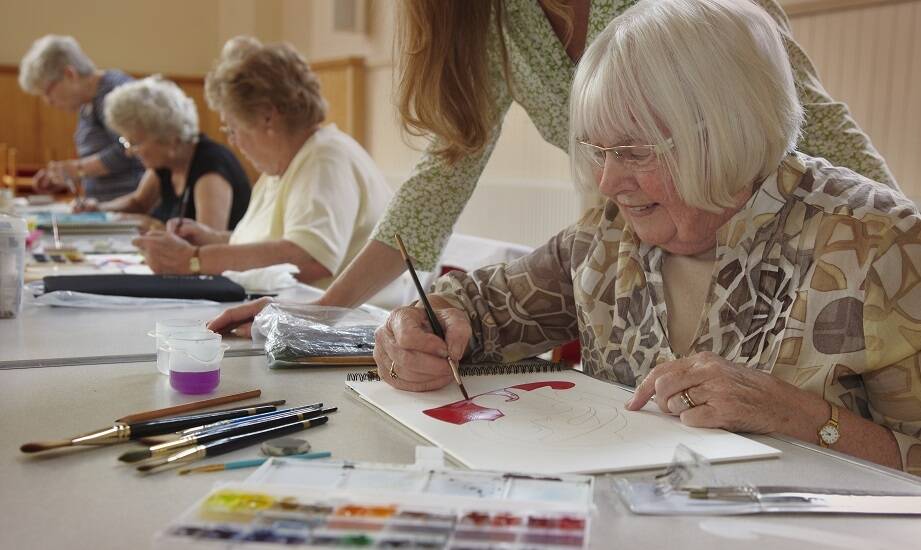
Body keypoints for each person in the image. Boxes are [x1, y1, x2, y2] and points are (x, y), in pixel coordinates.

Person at [373, 0, 921, 475]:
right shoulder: (607, 239)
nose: (608, 183)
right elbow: (480, 309)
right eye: (598, 150)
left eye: (633, 151)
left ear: (725, 132)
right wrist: (418, 329)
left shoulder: (877, 245)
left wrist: (802, 417)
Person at [209, 0, 900, 336]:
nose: (605, 170)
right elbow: (443, 172)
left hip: (775, 250)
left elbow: (808, 115)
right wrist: (327, 313)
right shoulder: (494, 18)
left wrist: (901, 247)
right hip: (647, 249)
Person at [133, 37, 392, 286]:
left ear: (267, 116)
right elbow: (276, 242)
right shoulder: (283, 166)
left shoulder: (325, 159)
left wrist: (193, 260)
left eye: (233, 128)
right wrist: (212, 240)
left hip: (347, 324)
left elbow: (308, 258)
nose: (233, 141)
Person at [74, 76, 251, 234]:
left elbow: (207, 238)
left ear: (169, 138)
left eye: (135, 143)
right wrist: (100, 208)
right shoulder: (168, 162)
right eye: (126, 142)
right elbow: (138, 203)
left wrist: (153, 225)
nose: (129, 151)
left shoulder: (211, 165)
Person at [18, 35, 143, 202]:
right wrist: (64, 176)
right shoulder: (86, 103)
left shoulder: (114, 93)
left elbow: (131, 149)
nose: (48, 101)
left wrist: (78, 169)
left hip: (129, 208)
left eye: (47, 92)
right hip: (105, 207)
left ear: (70, 74)